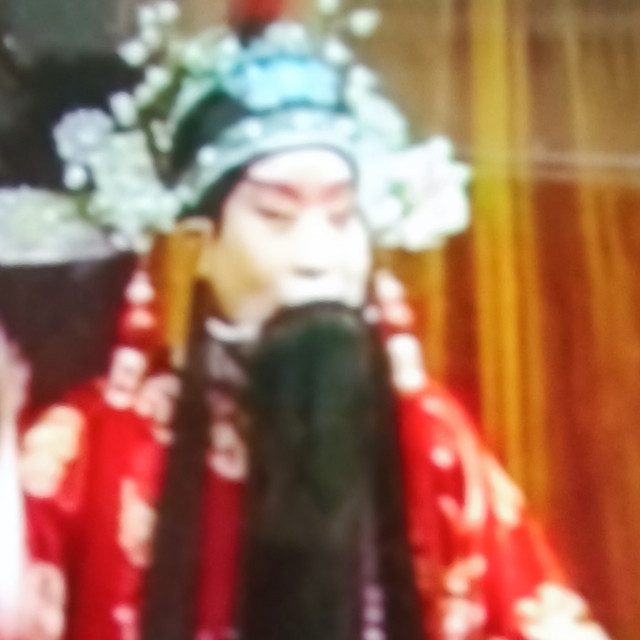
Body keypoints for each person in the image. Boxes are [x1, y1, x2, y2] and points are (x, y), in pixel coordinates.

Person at [0, 3, 610, 640]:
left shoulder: (425, 442)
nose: (318, 256)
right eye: (275, 217)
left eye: (341, 218)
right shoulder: (97, 448)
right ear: (199, 242)